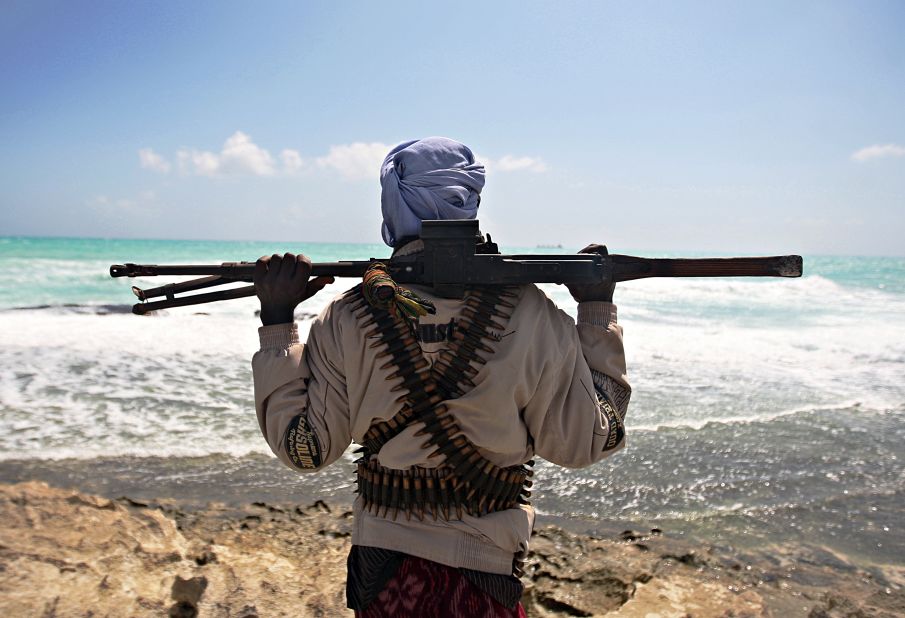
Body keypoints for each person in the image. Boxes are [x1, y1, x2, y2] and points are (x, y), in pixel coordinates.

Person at [251, 137, 630, 617]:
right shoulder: (532, 312)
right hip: (487, 576)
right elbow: (587, 442)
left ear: (393, 203)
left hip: (384, 575)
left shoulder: (346, 316)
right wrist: (596, 309)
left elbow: (304, 449)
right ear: (470, 203)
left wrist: (278, 318)